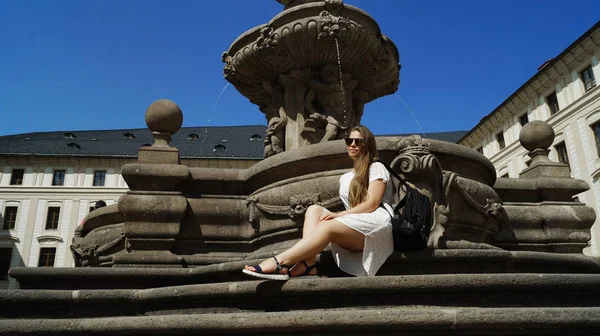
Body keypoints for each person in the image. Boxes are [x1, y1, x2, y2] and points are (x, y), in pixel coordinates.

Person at [243, 125, 394, 280]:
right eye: (349, 140)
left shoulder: (376, 167)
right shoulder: (345, 178)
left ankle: (279, 261)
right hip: (355, 223)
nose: (352, 144)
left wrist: (338, 215)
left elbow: (372, 203)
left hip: (375, 225)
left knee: (326, 226)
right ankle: (308, 264)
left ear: (367, 144)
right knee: (314, 209)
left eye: (358, 141)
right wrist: (339, 216)